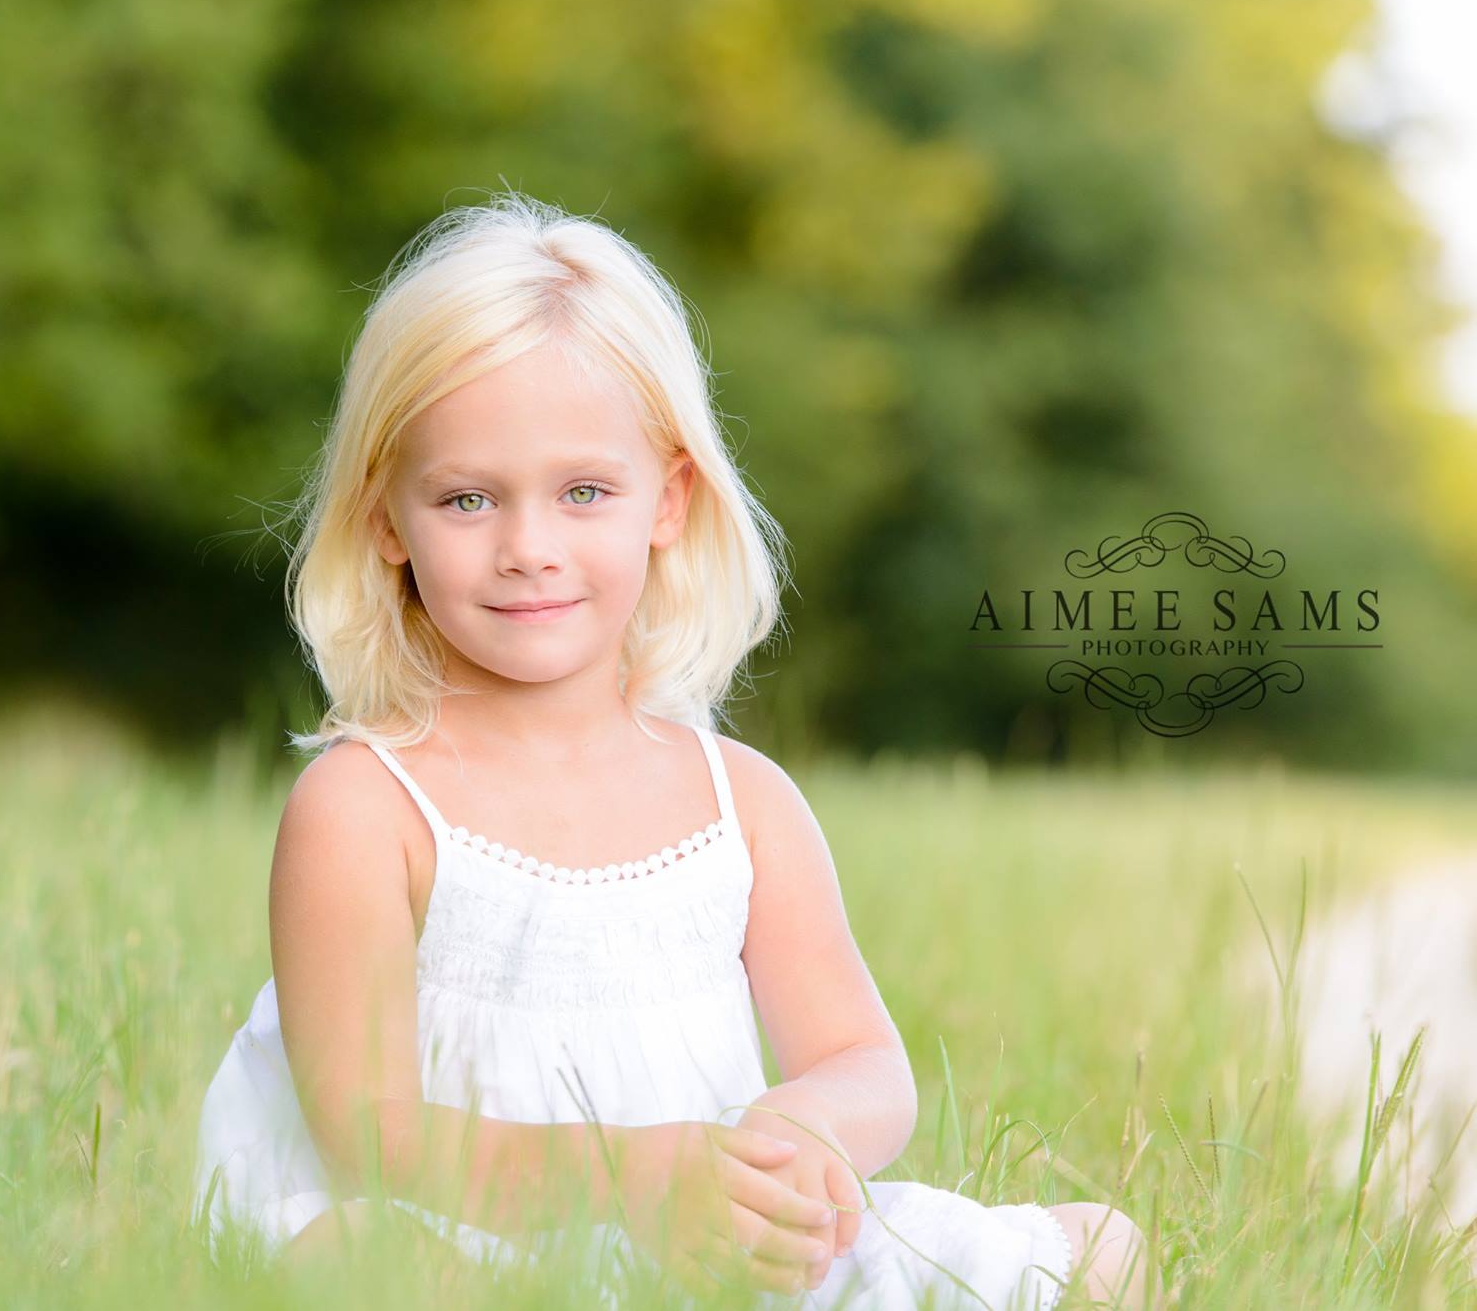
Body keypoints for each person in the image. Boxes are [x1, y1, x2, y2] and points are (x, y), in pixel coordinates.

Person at [191, 191, 1150, 1308]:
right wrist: (634, 1173)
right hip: (463, 1241)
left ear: (667, 500)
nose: (528, 548)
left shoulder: (737, 800)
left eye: (583, 491)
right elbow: (367, 1129)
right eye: (466, 500)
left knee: (1101, 1252)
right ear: (387, 523)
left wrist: (790, 1142)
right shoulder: (365, 806)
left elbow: (864, 1064)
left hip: (707, 1240)